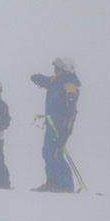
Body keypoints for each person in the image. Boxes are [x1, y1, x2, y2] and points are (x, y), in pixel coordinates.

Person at [29, 57, 80, 192]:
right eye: (55, 69)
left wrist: (65, 131)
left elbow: (71, 110)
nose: (55, 71)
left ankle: (65, 185)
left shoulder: (69, 84)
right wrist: (37, 78)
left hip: (61, 126)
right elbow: (45, 81)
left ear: (65, 70)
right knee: (47, 152)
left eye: (58, 69)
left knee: (55, 154)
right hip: (51, 124)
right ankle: (52, 182)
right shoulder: (56, 81)